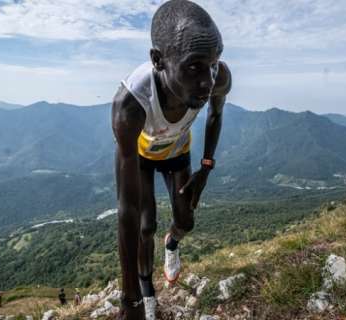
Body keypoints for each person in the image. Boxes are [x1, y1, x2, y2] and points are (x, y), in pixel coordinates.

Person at [111, 0, 231, 319]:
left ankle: (172, 244)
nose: (207, 80)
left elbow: (216, 116)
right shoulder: (131, 103)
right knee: (144, 226)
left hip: (178, 154)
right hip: (142, 158)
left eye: (214, 62)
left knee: (186, 221)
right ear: (158, 60)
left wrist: (206, 166)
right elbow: (127, 210)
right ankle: (147, 292)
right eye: (194, 66)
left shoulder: (218, 79)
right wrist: (129, 299)